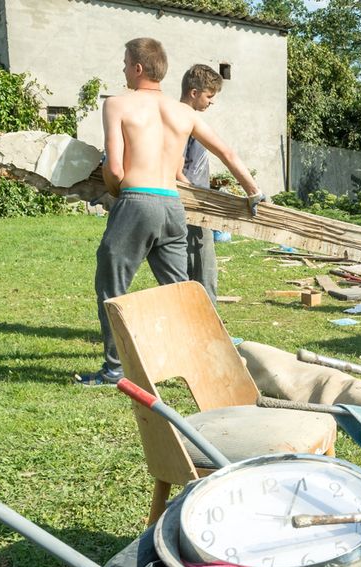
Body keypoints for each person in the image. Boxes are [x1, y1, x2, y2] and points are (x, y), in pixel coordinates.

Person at [76, 38, 266, 386]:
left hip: (136, 201)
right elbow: (227, 153)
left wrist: (122, 195)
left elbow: (115, 170)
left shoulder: (117, 104)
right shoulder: (184, 114)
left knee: (112, 286)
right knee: (179, 293)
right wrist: (254, 192)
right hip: (172, 207)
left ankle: (115, 369)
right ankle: (201, 363)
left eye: (124, 64)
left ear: (137, 67)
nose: (122, 70)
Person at [176, 64, 225, 304]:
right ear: (194, 93)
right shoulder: (183, 121)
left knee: (196, 265)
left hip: (196, 202)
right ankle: (206, 320)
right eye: (209, 96)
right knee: (202, 266)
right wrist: (194, 198)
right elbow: (176, 169)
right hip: (190, 205)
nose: (211, 102)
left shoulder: (184, 119)